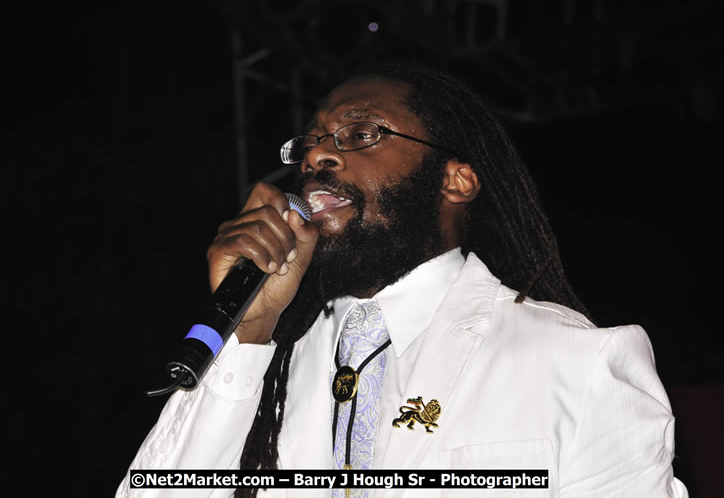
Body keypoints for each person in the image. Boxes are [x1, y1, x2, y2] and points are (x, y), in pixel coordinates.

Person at [116, 61, 687, 497]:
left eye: (359, 134)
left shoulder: (576, 362)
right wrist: (249, 331)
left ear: (455, 180)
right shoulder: (267, 367)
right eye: (311, 143)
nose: (318, 158)